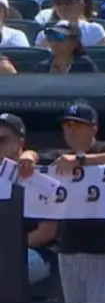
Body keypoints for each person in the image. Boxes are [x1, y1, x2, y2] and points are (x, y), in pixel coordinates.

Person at [19, 103, 105, 303]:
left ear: (93, 128)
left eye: (77, 125)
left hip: (104, 249)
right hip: (69, 249)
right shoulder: (60, 156)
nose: (70, 131)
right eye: (67, 125)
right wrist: (28, 156)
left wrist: (81, 160)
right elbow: (35, 155)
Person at [0, 113, 55, 286]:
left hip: (35, 251)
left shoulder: (37, 175)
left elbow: (47, 231)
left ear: (20, 142)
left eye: (2, 140)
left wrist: (9, 246)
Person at [36, 22, 100, 73]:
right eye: (51, 37)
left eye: (59, 37)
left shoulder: (85, 65)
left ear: (74, 42)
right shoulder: (43, 67)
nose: (54, 42)